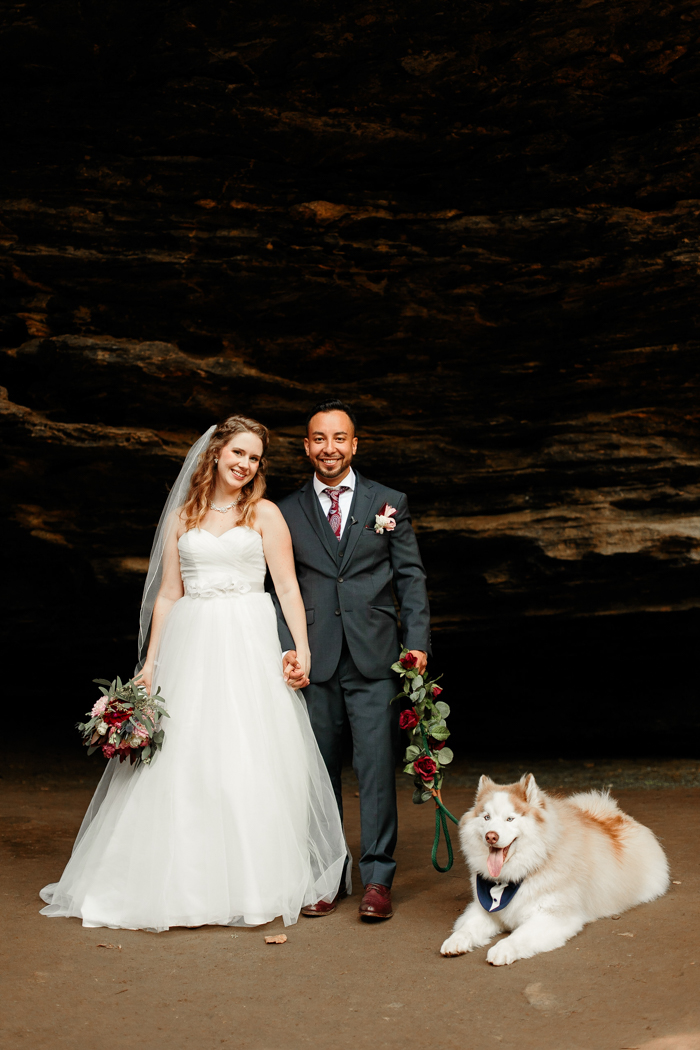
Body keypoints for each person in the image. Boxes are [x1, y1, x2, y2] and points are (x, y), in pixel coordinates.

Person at [40, 415, 347, 932]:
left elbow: (288, 588)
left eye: (254, 458)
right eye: (238, 454)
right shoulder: (184, 515)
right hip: (193, 640)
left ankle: (254, 881)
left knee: (251, 755)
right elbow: (167, 594)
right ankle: (181, 880)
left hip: (249, 639)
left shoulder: (267, 514)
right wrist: (150, 663)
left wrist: (303, 649)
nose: (246, 465)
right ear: (216, 453)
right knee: (186, 757)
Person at [270, 399, 431, 921]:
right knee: (317, 771)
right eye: (319, 438)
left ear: (354, 444)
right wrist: (287, 649)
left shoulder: (388, 503)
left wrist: (419, 642)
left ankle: (378, 879)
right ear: (307, 446)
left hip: (375, 657)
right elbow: (276, 588)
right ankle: (328, 876)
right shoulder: (285, 510)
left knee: (376, 769)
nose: (329, 448)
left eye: (339, 438)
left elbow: (410, 577)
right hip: (314, 659)